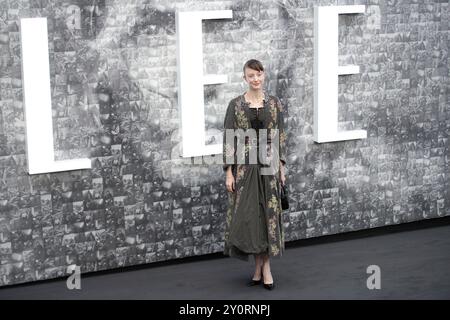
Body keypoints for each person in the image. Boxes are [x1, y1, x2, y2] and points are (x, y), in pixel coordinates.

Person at [222, 59, 287, 290]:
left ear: (264, 75)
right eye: (251, 75)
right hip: (245, 167)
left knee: (268, 215)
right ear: (245, 78)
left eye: (259, 74)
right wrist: (229, 173)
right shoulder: (236, 105)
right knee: (251, 218)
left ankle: (264, 269)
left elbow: (280, 136)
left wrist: (282, 167)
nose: (256, 79)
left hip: (269, 165)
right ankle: (259, 269)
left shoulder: (274, 104)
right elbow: (230, 139)